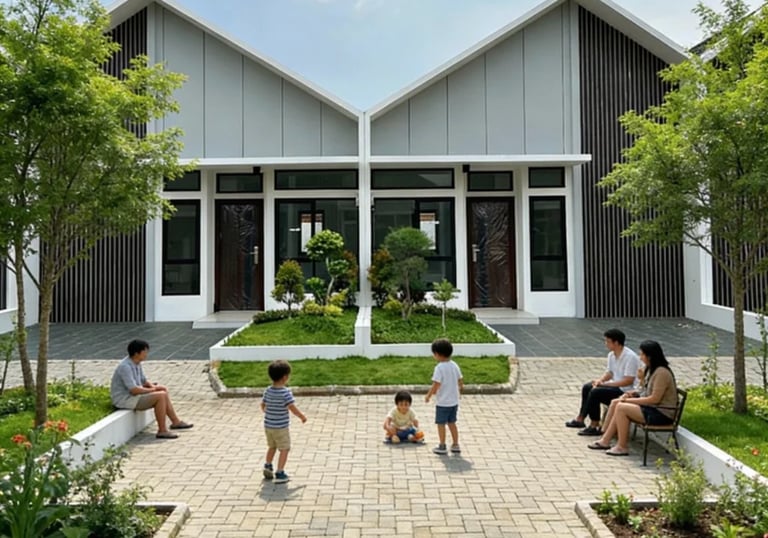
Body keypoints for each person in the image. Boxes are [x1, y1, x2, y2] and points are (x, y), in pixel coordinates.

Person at [587, 340, 678, 456]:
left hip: (661, 413)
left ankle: (622, 446)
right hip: (651, 408)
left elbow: (654, 399)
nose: (640, 358)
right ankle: (605, 439)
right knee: (615, 402)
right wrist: (631, 392)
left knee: (622, 407)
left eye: (642, 354)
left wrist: (628, 400)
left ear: (650, 356)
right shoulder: (651, 369)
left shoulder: (662, 373)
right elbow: (644, 390)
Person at [110, 339, 193, 440]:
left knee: (163, 390)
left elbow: (144, 381)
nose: (146, 354)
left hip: (135, 396)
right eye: (145, 352)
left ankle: (175, 422)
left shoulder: (137, 363)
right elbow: (134, 390)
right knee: (160, 396)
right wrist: (152, 390)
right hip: (126, 399)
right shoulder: (125, 367)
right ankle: (162, 430)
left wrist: (152, 387)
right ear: (136, 353)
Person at [565, 328, 639, 436]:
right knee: (588, 387)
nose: (606, 344)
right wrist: (600, 380)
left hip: (625, 390)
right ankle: (581, 418)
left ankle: (594, 424)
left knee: (596, 392)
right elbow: (610, 372)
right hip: (614, 385)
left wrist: (605, 384)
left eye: (608, 341)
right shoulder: (611, 355)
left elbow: (628, 381)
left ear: (616, 343)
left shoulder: (630, 357)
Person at [261, 360, 307, 484]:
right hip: (280, 427)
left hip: (268, 426)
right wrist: (301, 416)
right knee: (284, 448)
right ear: (285, 377)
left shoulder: (268, 390)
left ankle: (268, 465)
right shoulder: (285, 393)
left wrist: (267, 411)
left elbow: (263, 405)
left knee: (272, 446)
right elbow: (292, 407)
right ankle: (280, 472)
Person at [425, 338, 464, 455]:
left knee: (441, 424)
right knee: (452, 423)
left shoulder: (439, 368)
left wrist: (429, 395)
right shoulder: (454, 365)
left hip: (443, 402)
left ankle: (442, 445)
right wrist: (460, 390)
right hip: (453, 402)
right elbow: (460, 380)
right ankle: (455, 444)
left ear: (437, 354)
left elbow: (436, 384)